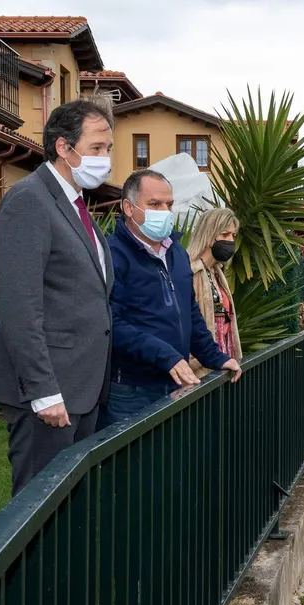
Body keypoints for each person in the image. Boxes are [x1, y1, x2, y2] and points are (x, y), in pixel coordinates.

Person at [0, 99, 115, 496]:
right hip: (50, 394)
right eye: (96, 149)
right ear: (63, 147)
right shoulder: (30, 200)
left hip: (82, 388)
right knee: (36, 509)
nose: (104, 159)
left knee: (67, 504)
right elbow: (19, 307)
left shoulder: (75, 205)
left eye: (108, 149)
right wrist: (43, 392)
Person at [103, 170, 242, 426]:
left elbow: (189, 313)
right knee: (134, 465)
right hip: (132, 389)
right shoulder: (111, 254)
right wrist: (165, 356)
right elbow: (112, 323)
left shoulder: (176, 253)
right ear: (128, 208)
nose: (164, 211)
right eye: (154, 204)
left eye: (169, 204)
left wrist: (217, 357)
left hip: (174, 383)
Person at [188, 207, 243, 377]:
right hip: (200, 371)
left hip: (221, 363)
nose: (230, 241)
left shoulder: (217, 272)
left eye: (233, 236)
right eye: (225, 234)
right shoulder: (191, 272)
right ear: (210, 235)